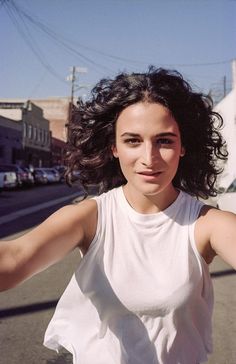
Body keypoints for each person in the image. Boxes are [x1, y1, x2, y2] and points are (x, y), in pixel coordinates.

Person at [0, 67, 235, 364]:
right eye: (133, 140)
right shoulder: (90, 217)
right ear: (113, 147)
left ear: (184, 146)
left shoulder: (207, 224)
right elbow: (13, 260)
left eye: (164, 140)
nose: (148, 159)